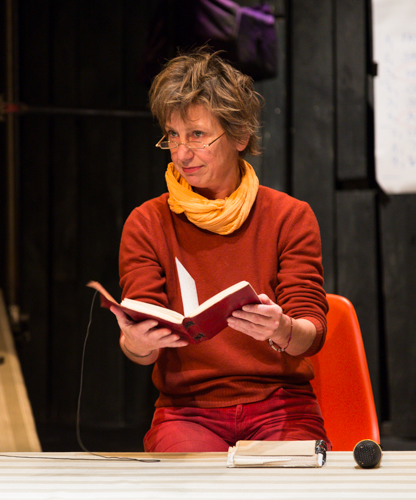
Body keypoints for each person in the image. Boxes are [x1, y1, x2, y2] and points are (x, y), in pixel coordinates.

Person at [109, 48, 329, 452]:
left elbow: (310, 336)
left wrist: (281, 328)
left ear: (240, 136)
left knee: (297, 479)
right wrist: (136, 343)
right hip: (187, 410)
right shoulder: (148, 222)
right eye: (172, 135)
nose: (181, 153)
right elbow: (144, 347)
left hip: (280, 404)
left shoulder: (289, 217)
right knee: (187, 480)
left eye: (197, 135)